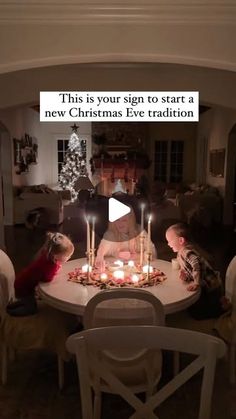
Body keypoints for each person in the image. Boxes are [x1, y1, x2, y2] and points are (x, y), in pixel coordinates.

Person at [165, 222, 225, 320]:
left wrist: (196, 282)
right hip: (204, 284)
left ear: (181, 240)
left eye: (170, 240)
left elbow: (196, 265)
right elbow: (190, 268)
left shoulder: (187, 252)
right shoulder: (181, 252)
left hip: (210, 285)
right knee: (193, 308)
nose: (168, 244)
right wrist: (186, 275)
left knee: (198, 314)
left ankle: (221, 307)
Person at [8, 232, 74, 316]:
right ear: (56, 256)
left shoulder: (47, 254)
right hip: (25, 287)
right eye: (67, 256)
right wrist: (57, 268)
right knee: (31, 308)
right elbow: (47, 279)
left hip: (21, 281)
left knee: (25, 300)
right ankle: (10, 313)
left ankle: (13, 305)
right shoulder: (50, 266)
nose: (69, 258)